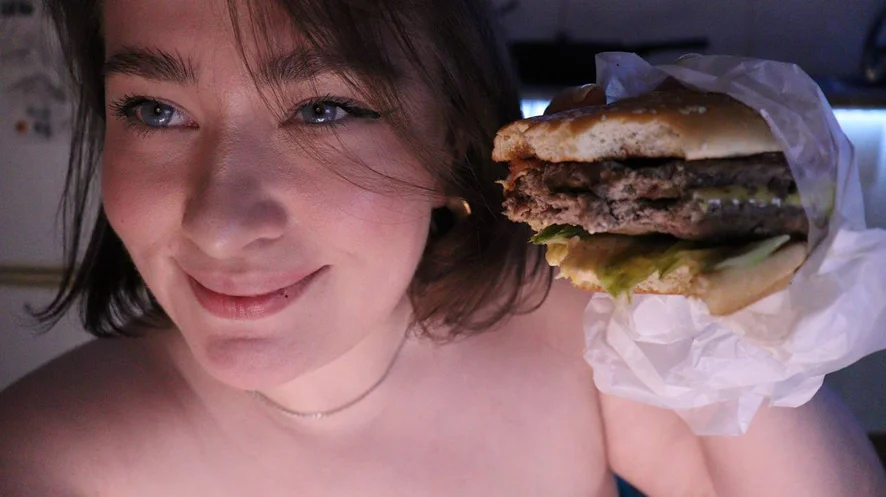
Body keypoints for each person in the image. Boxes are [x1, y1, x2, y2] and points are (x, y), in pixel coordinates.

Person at [1, 0, 884, 495]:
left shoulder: (575, 335)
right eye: (154, 110)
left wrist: (740, 297)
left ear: (455, 138)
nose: (219, 222)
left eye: (325, 109)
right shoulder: (45, 460)